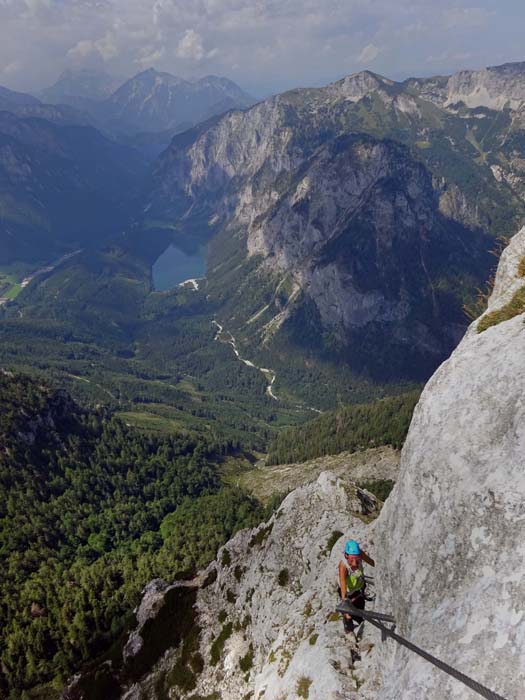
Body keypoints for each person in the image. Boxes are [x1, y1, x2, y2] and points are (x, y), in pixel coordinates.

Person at [338, 539, 375, 634]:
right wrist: (345, 600)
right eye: (351, 560)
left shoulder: (360, 554)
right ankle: (349, 630)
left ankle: (359, 628)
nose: (354, 563)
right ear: (346, 556)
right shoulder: (343, 565)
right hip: (348, 593)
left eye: (357, 559)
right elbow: (342, 583)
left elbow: (372, 562)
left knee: (360, 615)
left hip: (359, 589)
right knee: (349, 616)